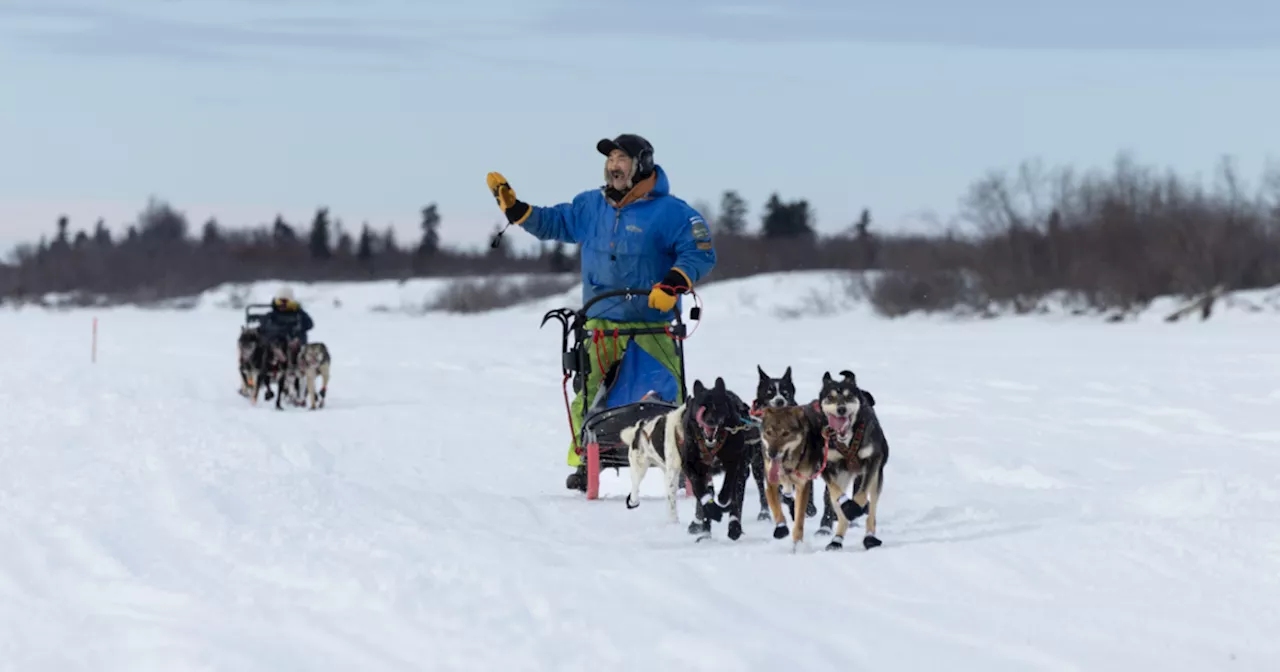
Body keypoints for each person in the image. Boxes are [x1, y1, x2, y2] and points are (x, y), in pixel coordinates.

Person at [486, 133, 717, 491]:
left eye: (621, 158)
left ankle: (681, 456)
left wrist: (673, 283)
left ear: (641, 164)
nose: (613, 165)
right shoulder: (589, 206)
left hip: (654, 324)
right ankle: (586, 460)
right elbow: (554, 222)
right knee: (591, 393)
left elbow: (700, 251)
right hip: (601, 321)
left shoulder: (673, 212)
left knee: (666, 395)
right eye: (610, 159)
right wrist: (517, 211)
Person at [256, 286, 314, 396]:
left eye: (285, 302)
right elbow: (262, 328)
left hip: (296, 345)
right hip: (276, 345)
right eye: (279, 302)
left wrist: (297, 328)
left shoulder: (299, 314)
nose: (282, 305)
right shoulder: (272, 315)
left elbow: (309, 324)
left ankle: (300, 387)